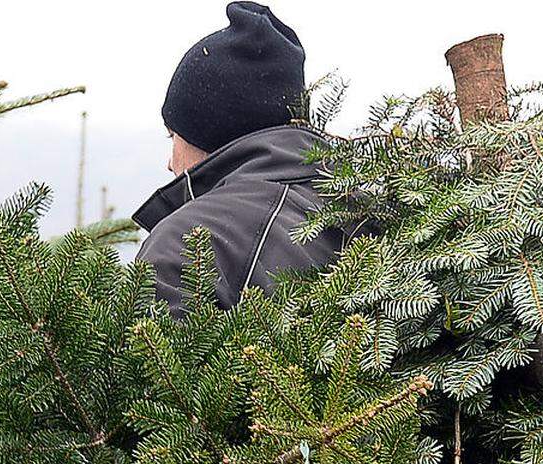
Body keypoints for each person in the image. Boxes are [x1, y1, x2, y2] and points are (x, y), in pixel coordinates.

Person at [132, 1, 370, 314]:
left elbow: (152, 358)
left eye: (172, 136)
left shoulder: (186, 246)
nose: (169, 162)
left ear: (210, 130)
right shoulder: (369, 213)